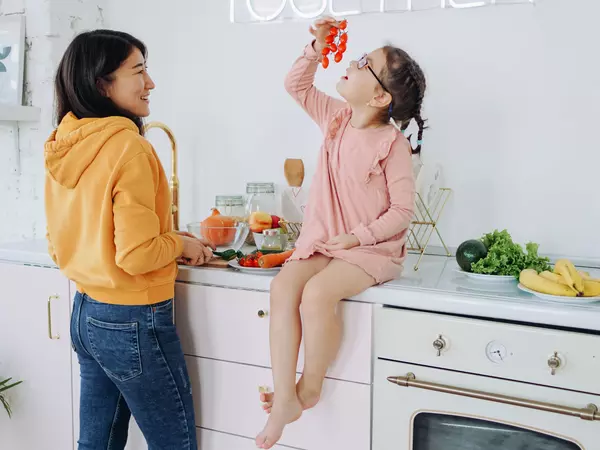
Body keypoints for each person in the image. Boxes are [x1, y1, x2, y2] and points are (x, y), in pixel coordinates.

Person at [256, 17, 426, 449]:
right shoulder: (335, 117)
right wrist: (316, 45)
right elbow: (296, 85)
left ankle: (307, 389)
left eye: (363, 64)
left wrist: (359, 237)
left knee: (316, 295)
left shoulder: (393, 144)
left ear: (380, 95)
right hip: (324, 239)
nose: (350, 63)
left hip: (372, 251)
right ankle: (284, 402)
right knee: (282, 289)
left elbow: (402, 212)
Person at [44, 29, 213, 450]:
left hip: (85, 311)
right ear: (102, 83)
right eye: (138, 71)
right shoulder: (130, 148)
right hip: (133, 318)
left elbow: (59, 241)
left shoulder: (65, 143)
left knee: (95, 445)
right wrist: (180, 244)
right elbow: (137, 256)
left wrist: (168, 236)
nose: (150, 82)